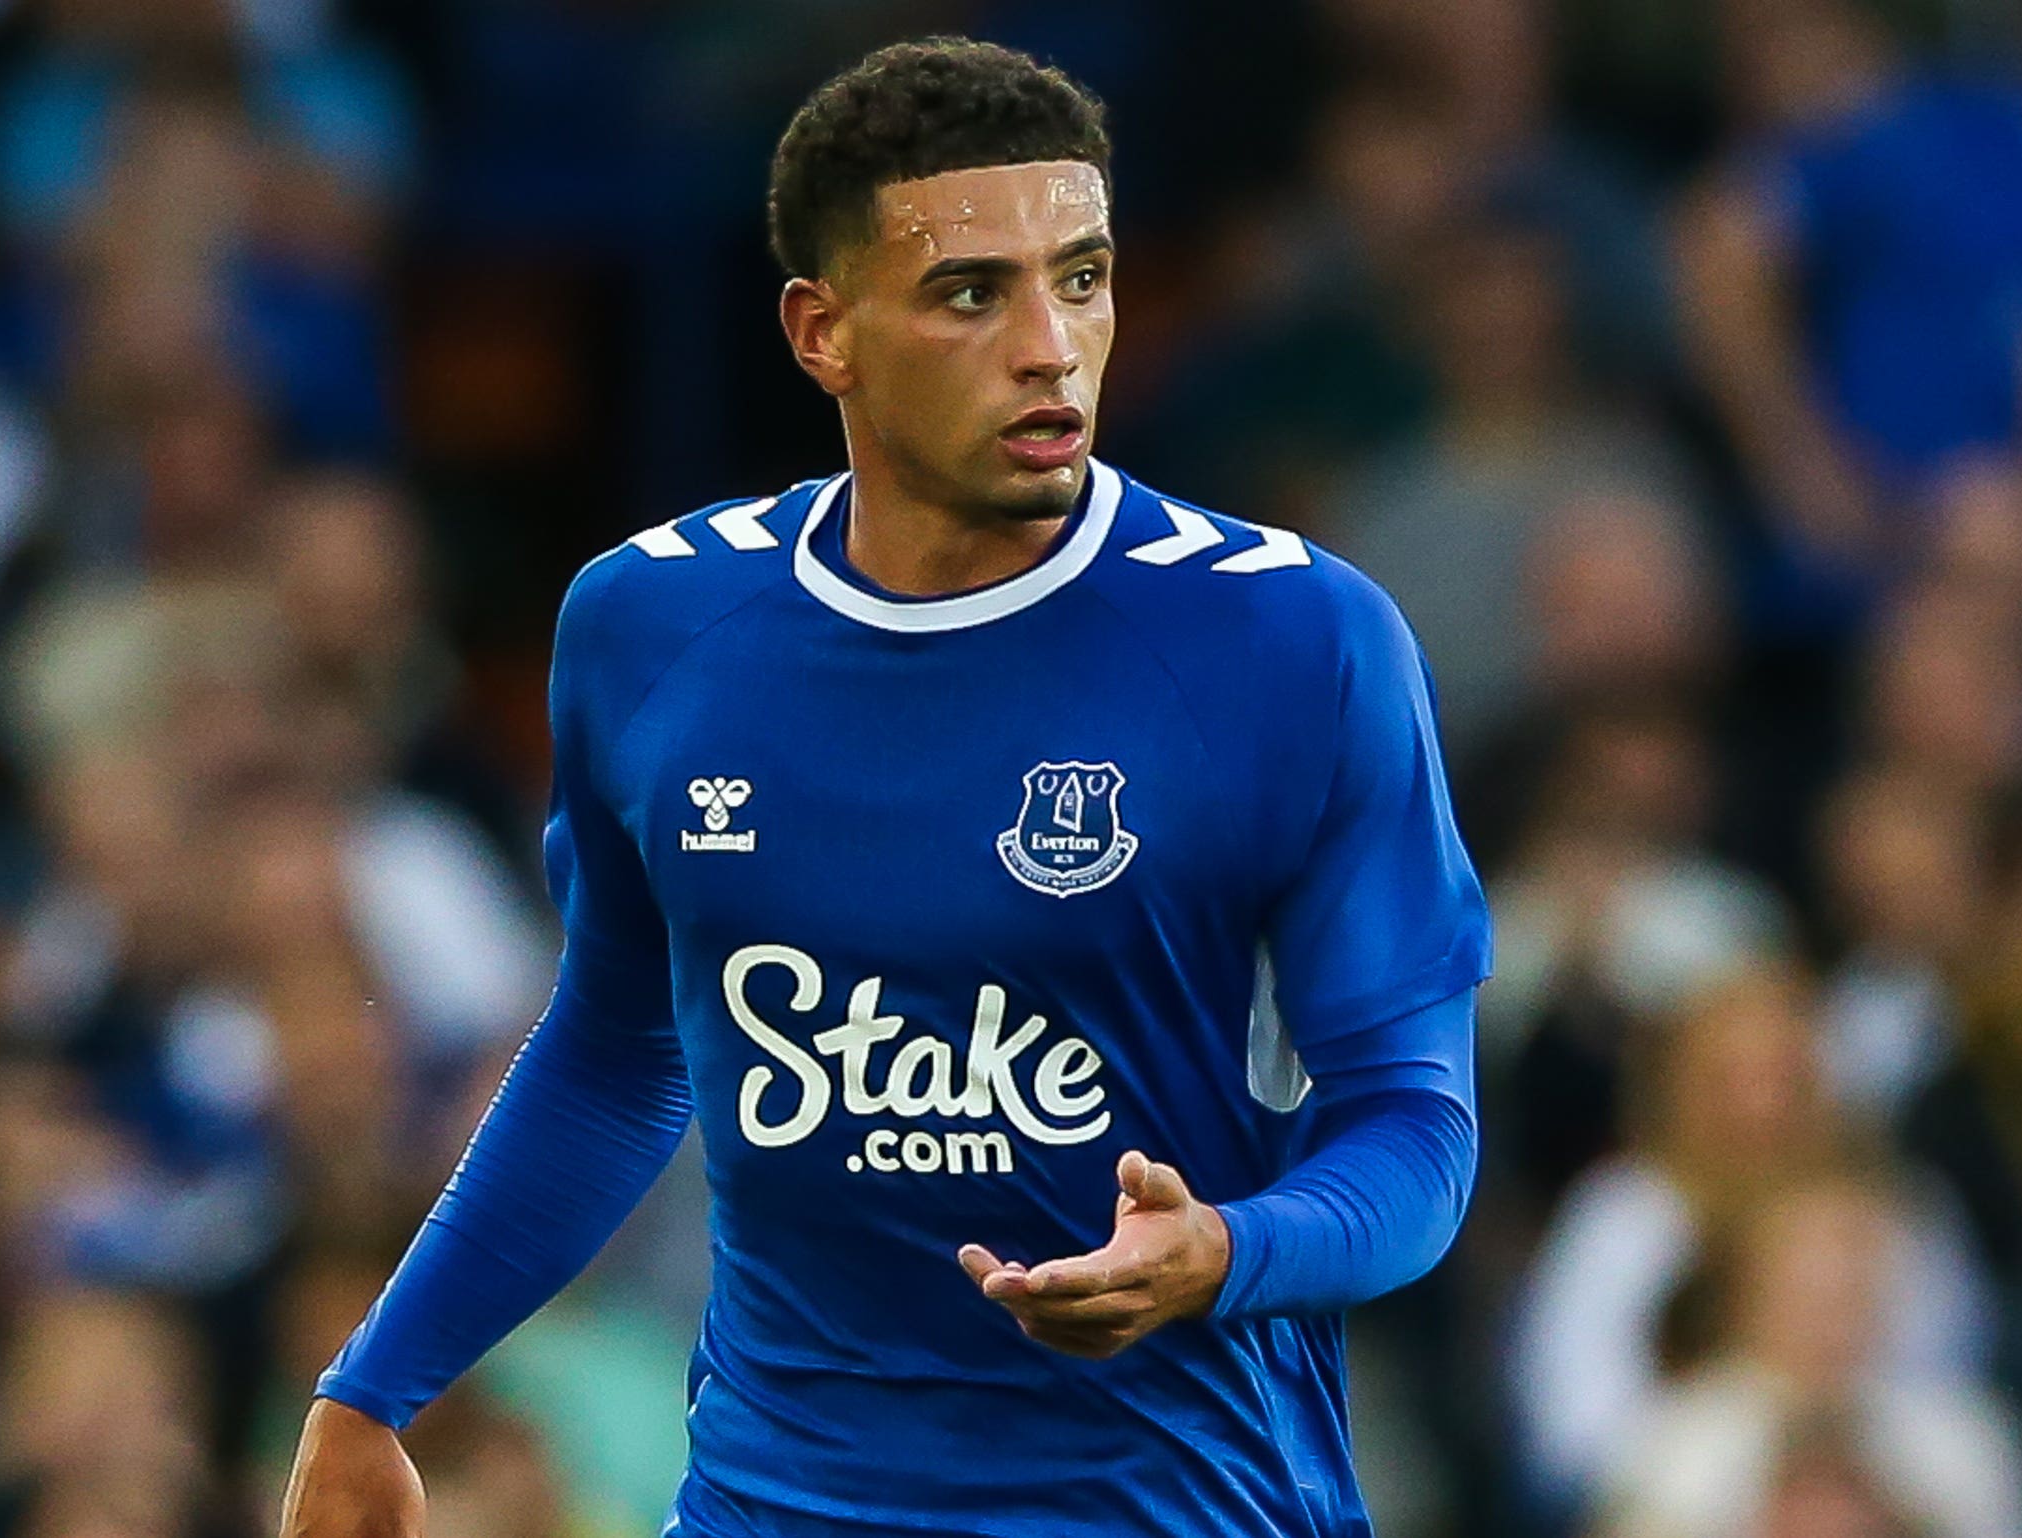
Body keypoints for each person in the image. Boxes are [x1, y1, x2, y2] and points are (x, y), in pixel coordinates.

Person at [276, 37, 1490, 1538]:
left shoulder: (1297, 640)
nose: (1052, 343)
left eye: (1086, 276)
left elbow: (1418, 1129)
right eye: (974, 292)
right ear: (821, 329)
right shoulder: (649, 628)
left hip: (1179, 1505)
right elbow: (615, 1047)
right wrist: (376, 1383)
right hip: (778, 1504)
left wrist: (1227, 1250)